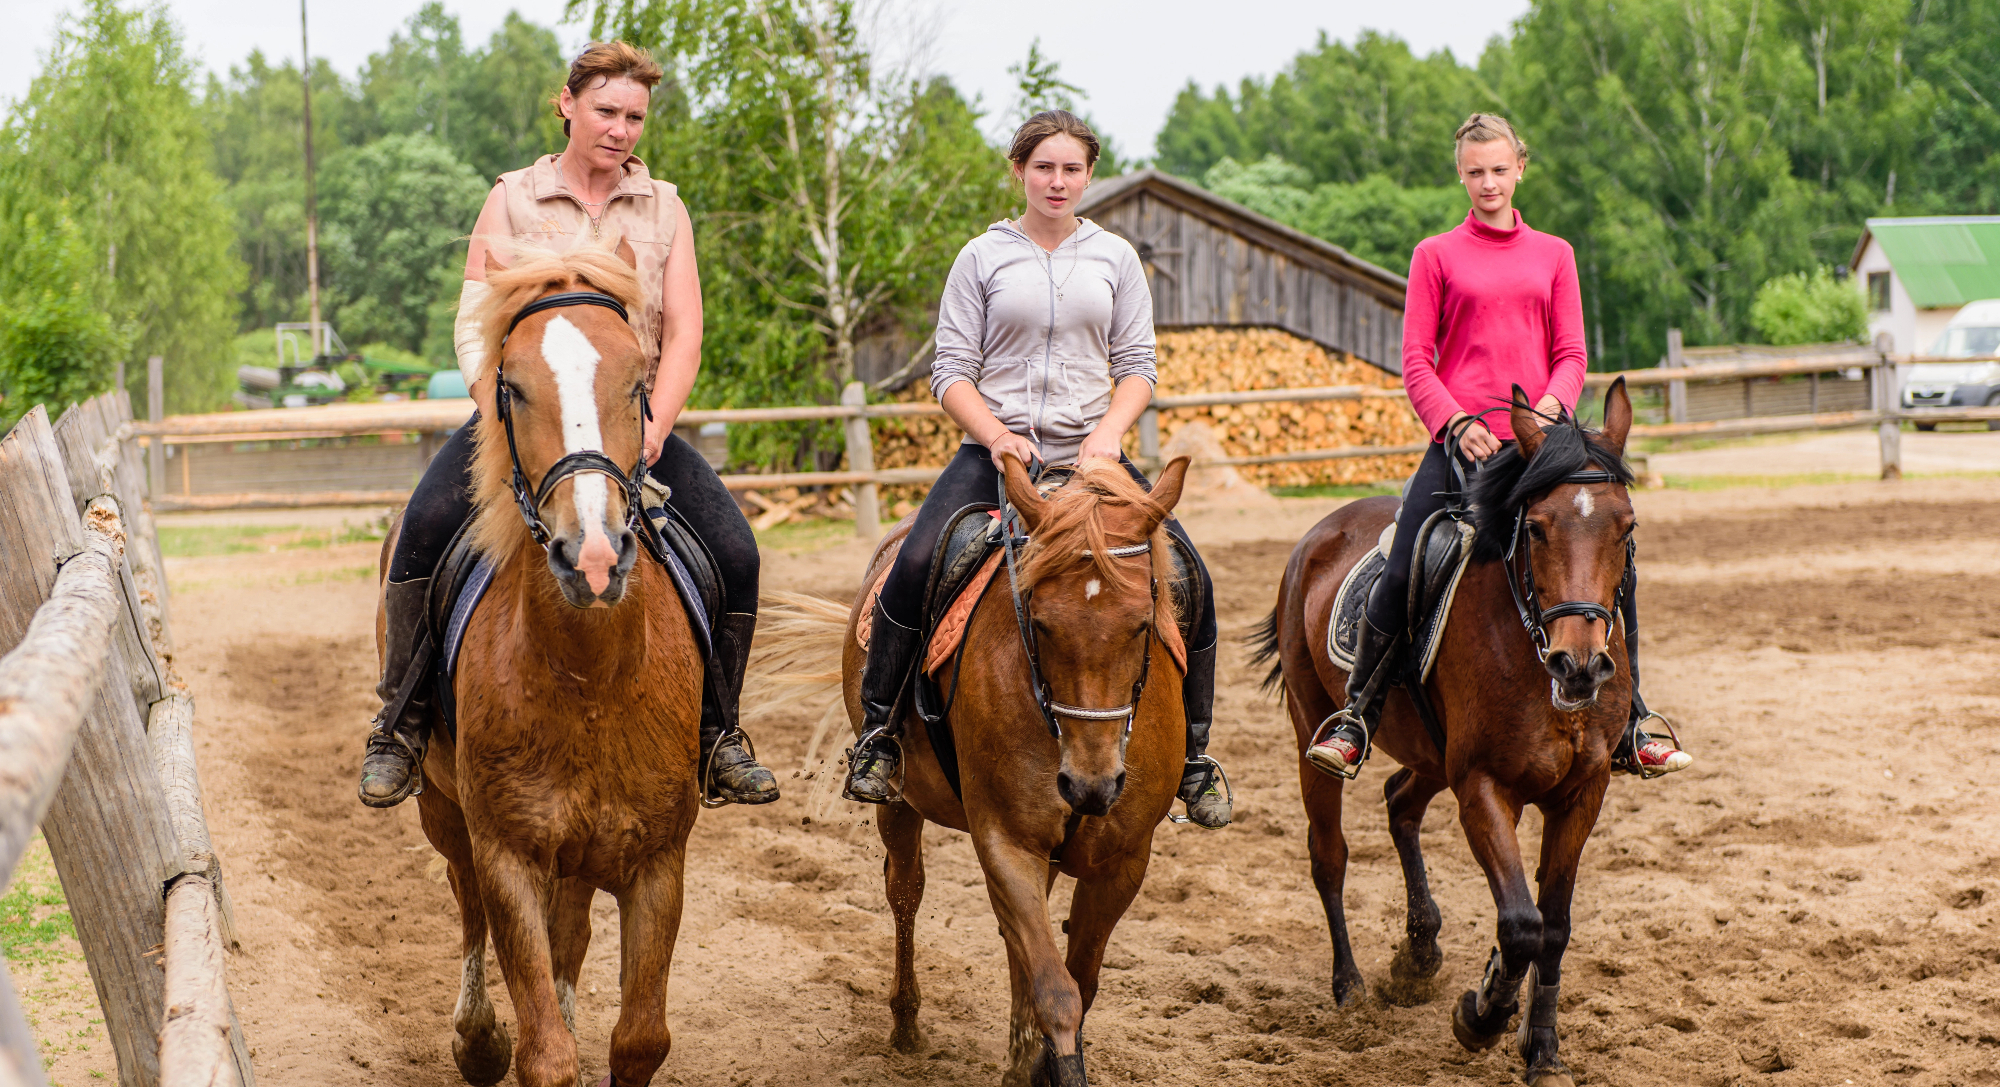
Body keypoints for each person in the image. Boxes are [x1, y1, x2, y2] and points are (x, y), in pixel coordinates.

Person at [357, 41, 777, 809]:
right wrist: (497, 414)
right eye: (607, 111)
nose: (621, 129)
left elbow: (684, 331)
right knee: (422, 529)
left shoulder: (666, 207)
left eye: (635, 117)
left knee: (735, 549)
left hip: (626, 428)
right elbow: (472, 321)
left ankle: (719, 734)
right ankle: (401, 727)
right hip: (526, 425)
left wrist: (656, 423)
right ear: (567, 104)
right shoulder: (513, 198)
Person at [841, 109, 1231, 828]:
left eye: (1071, 168)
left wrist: (1108, 433)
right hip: (994, 453)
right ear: (1019, 170)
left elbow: (1137, 366)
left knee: (1189, 575)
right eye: (1044, 167)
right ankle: (879, 736)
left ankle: (1196, 757)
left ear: (1089, 175)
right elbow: (951, 371)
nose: (1058, 180)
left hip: (1093, 456)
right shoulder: (981, 258)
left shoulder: (1115, 258)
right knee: (917, 561)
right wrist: (995, 435)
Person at [1307, 112, 1693, 781]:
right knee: (1405, 560)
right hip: (1463, 444)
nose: (1488, 182)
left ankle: (1631, 721)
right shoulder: (1434, 254)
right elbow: (1416, 362)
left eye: (1499, 169)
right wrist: (1457, 423)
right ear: (1461, 175)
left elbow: (1571, 353)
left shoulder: (1555, 253)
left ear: (1520, 168)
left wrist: (1547, 411)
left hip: (1544, 445)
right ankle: (1358, 714)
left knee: (1614, 561)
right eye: (1475, 171)